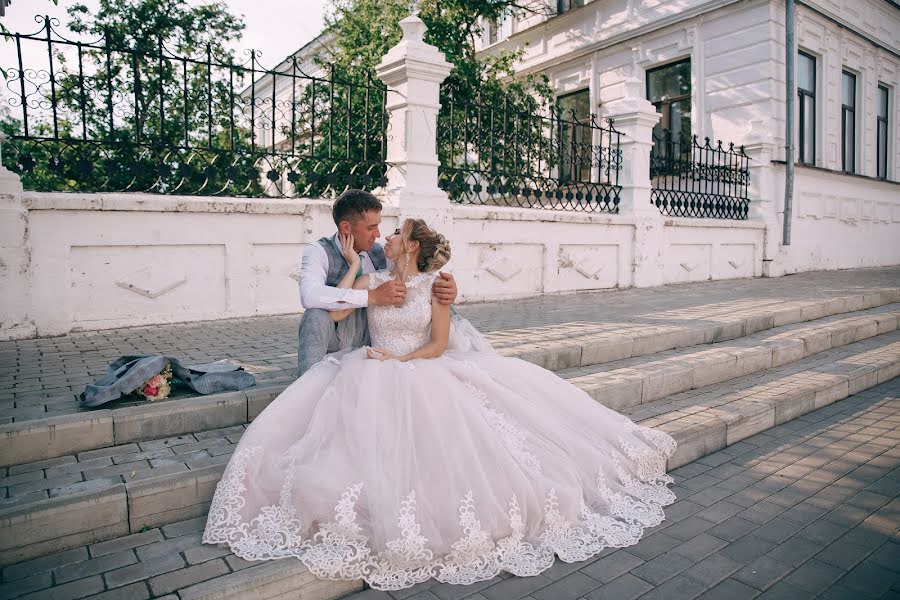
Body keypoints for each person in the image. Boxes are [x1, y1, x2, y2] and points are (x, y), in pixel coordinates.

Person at [203, 219, 677, 591]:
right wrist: (351, 267)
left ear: (410, 246)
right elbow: (339, 311)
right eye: (382, 228)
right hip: (368, 366)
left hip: (415, 366)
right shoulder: (372, 273)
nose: (385, 235)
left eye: (395, 232)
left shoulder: (435, 285)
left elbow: (439, 342)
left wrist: (401, 362)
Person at [296, 189, 458, 376]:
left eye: (379, 226)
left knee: (434, 294)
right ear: (346, 228)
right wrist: (371, 294)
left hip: (372, 338)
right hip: (339, 336)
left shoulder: (384, 252)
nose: (380, 235)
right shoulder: (318, 252)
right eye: (371, 228)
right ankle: (306, 382)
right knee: (314, 316)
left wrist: (450, 290)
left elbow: (417, 274)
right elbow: (309, 296)